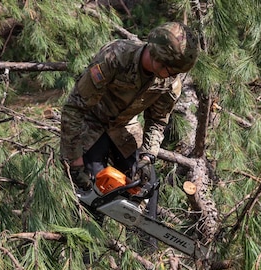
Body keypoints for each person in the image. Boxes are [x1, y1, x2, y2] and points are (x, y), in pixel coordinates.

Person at [60, 22, 199, 192]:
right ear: (159, 59)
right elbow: (74, 108)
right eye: (172, 71)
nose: (174, 76)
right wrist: (74, 161)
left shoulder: (169, 82)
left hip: (124, 128)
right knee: (97, 187)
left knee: (146, 186)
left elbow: (157, 121)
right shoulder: (116, 57)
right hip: (91, 124)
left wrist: (148, 156)